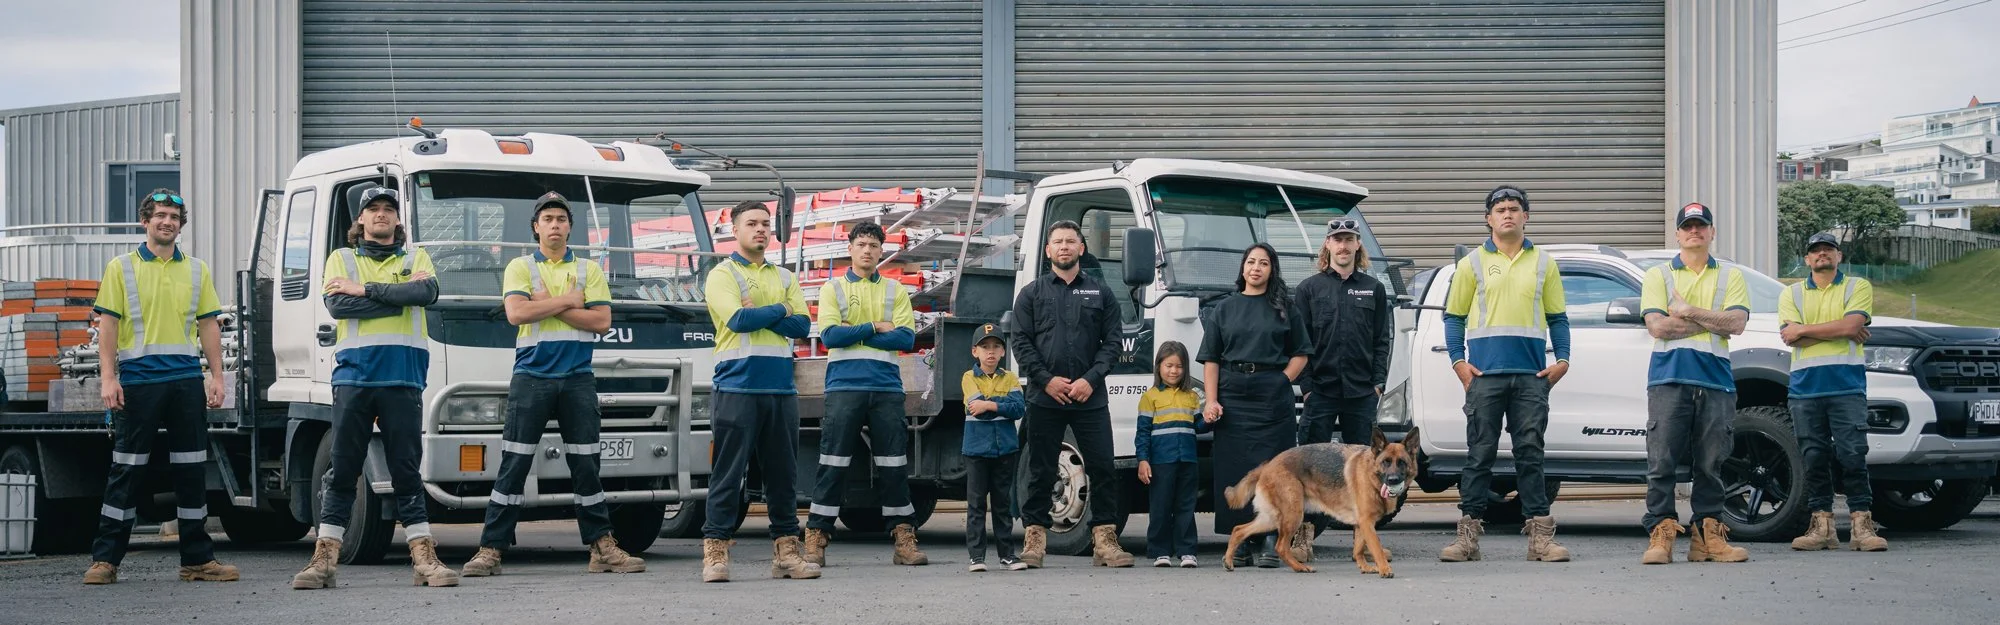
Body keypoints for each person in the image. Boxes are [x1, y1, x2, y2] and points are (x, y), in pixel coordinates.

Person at [463, 191, 646, 577]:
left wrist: (548, 303)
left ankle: (602, 548)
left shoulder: (589, 269)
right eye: (547, 219)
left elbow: (601, 323)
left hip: (577, 378)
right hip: (532, 377)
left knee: (587, 467)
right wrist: (570, 301)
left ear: (570, 227)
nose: (555, 225)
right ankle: (490, 550)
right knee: (514, 463)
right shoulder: (520, 267)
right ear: (536, 227)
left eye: (561, 219)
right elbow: (516, 313)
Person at [291, 187, 457, 589]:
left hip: (403, 377)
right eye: (373, 210)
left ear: (398, 220)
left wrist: (364, 289)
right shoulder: (340, 258)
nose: (381, 215)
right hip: (355, 377)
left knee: (405, 471)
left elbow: (426, 293)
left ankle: (424, 559)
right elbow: (337, 306)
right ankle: (324, 560)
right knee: (343, 469)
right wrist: (399, 297)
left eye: (388, 209)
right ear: (360, 220)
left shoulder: (417, 257)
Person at [83, 189, 240, 584]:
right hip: (138, 381)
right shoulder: (121, 268)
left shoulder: (197, 270)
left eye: (174, 216)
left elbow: (208, 325)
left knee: (191, 472)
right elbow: (108, 325)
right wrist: (108, 377)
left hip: (186, 380)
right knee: (126, 470)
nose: (167, 221)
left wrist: (216, 375)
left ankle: (197, 561)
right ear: (145, 221)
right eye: (160, 215)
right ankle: (106, 561)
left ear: (180, 224)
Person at [1437, 185, 1574, 564]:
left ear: (1526, 217)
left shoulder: (1544, 263)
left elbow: (1558, 318)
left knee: (1530, 455)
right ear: (1488, 218)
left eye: (1514, 208)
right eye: (1500, 210)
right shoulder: (1473, 263)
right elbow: (1454, 317)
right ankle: (1467, 539)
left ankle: (1541, 540)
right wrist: (1458, 362)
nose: (1508, 214)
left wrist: (1562, 360)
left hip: (1531, 376)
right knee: (1479, 455)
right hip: (1485, 377)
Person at [699, 199, 820, 582]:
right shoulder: (723, 275)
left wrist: (766, 312)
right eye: (752, 223)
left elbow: (802, 326)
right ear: (735, 231)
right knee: (727, 473)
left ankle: (786, 550)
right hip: (737, 386)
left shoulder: (784, 276)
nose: (761, 230)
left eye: (766, 223)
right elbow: (737, 319)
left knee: (783, 474)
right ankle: (715, 550)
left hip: (781, 389)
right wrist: (780, 311)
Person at [1009, 220, 1135, 568]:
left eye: (1070, 241)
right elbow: (1021, 342)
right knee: (1040, 469)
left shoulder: (1100, 293)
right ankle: (1034, 540)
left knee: (1103, 467)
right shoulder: (1032, 294)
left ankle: (1105, 542)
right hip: (1044, 397)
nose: (1064, 246)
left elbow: (1112, 344)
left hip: (1089, 398)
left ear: (1082, 248)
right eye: (1057, 242)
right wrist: (1047, 380)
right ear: (1048, 250)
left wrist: (1090, 380)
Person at [806, 222, 926, 567]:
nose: (868, 250)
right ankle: (816, 536)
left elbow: (905, 339)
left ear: (881, 251)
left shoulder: (895, 290)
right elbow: (830, 336)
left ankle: (904, 538)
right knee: (833, 461)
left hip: (887, 387)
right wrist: (875, 327)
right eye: (862, 244)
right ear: (850, 248)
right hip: (844, 386)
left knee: (894, 465)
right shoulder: (833, 288)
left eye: (874, 245)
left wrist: (854, 332)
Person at [1638, 202, 1752, 565]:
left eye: (1701, 226)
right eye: (1687, 226)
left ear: (1712, 232)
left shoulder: (1730, 276)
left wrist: (1686, 311)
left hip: (1715, 380)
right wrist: (1713, 320)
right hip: (1669, 377)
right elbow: (1658, 327)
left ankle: (1708, 536)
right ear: (1677, 234)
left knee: (1712, 463)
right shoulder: (1659, 275)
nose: (1694, 232)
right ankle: (1661, 533)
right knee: (1662, 462)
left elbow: (1737, 324)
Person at [1200, 243, 1312, 569]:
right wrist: (1211, 399)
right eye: (1251, 262)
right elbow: (1210, 359)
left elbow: (1301, 353)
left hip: (1272, 395)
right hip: (1233, 394)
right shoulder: (1224, 308)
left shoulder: (1285, 309)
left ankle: (1268, 540)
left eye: (1264, 263)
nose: (1256, 268)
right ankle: (1244, 542)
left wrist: (1282, 380)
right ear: (1243, 268)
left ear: (1272, 270)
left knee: (1274, 470)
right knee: (1235, 469)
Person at [1291, 217, 1395, 559]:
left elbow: (1382, 340)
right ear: (1328, 246)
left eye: (1349, 239)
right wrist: (1305, 387)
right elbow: (1299, 341)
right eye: (1337, 239)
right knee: (1310, 465)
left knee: (1368, 468)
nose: (1343, 245)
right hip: (1319, 390)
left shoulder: (1373, 288)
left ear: (1357, 246)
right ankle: (1303, 535)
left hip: (1361, 391)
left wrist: (1378, 383)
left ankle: (1364, 542)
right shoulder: (1309, 289)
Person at [1782, 233, 1887, 552]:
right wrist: (1840, 329)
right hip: (1805, 389)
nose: (1822, 254)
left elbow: (1852, 324)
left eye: (1828, 249)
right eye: (1815, 251)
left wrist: (1807, 329)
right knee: (1813, 457)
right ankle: (1821, 526)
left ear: (1839, 256)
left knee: (1853, 454)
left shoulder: (1858, 286)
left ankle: (1862, 525)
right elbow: (1791, 338)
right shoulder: (1792, 293)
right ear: (1807, 259)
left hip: (1846, 387)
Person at [960, 323, 1027, 572]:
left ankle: (1007, 555)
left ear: (1003, 351)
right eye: (985, 347)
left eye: (996, 346)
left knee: (1002, 504)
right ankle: (976, 557)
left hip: (1005, 449)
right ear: (974, 352)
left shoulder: (1010, 377)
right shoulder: (969, 377)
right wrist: (1000, 405)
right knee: (976, 504)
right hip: (977, 450)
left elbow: (1019, 408)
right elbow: (975, 408)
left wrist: (990, 405)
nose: (991, 352)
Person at [1136, 341, 1204, 569]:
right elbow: (1143, 432)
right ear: (1159, 367)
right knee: (1160, 506)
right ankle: (1159, 551)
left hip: (1188, 460)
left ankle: (1187, 551)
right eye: (1169, 365)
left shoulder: (1192, 397)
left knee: (1186, 505)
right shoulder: (1150, 397)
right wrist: (1143, 460)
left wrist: (1212, 418)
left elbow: (1199, 426)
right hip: (1160, 461)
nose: (1174, 371)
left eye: (1179, 366)